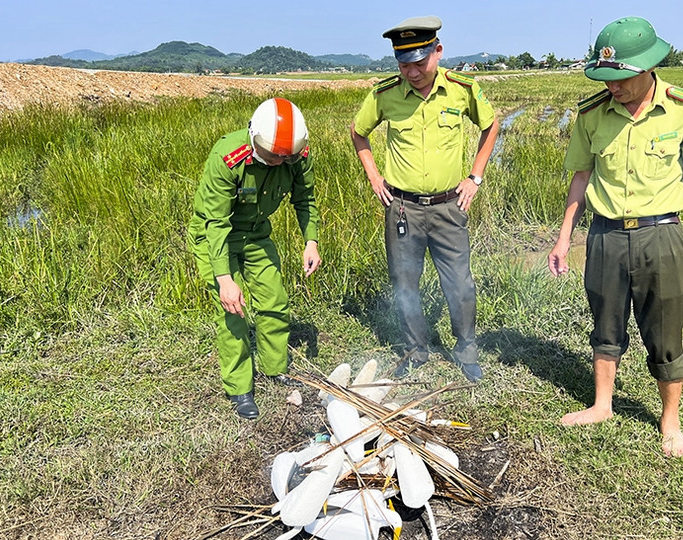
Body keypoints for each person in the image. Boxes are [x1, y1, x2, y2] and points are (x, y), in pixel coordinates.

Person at [547, 16, 683, 457]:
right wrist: (565, 237)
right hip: (604, 235)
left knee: (664, 331)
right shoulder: (591, 114)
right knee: (605, 324)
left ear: (646, 67)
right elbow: (581, 177)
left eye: (619, 78)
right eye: (605, 78)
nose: (612, 87)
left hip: (661, 236)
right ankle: (602, 404)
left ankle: (669, 420)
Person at [350, 15, 499, 382]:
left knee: (460, 284)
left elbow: (491, 124)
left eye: (419, 62)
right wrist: (373, 175)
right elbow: (358, 131)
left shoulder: (462, 89)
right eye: (404, 64)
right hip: (402, 208)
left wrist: (474, 177)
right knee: (405, 283)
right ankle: (415, 350)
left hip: (450, 207)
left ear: (438, 51)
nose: (412, 72)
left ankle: (465, 350)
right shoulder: (385, 95)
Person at [188, 97, 321, 420]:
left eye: (284, 156)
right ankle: (240, 388)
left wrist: (311, 240)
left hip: (257, 233)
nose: (279, 161)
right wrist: (225, 279)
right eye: (272, 155)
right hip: (215, 238)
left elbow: (305, 198)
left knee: (274, 300)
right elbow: (216, 223)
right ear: (254, 139)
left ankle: (275, 368)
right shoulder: (227, 157)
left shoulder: (295, 155)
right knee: (233, 312)